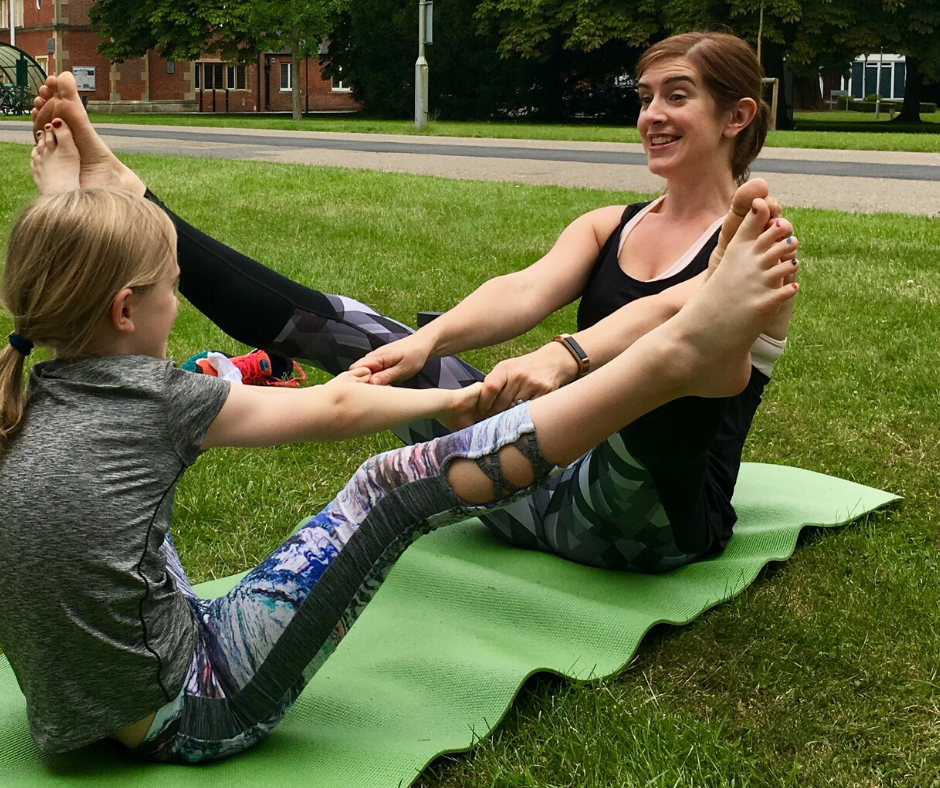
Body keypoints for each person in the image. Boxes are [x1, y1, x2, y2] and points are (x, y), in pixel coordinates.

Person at [0, 125, 795, 762]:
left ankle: (684, 352)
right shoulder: (164, 401)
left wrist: (63, 201)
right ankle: (674, 361)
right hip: (194, 704)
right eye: (171, 287)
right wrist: (462, 399)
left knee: (135, 496)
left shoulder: (18, 401)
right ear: (123, 311)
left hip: (81, 707)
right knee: (387, 486)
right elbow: (340, 410)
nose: (179, 303)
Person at [30, 29, 796, 578]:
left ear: (737, 117)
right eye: (646, 97)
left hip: (651, 528)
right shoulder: (612, 224)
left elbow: (675, 314)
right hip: (541, 481)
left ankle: (128, 196)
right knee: (345, 331)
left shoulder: (759, 252)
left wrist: (567, 354)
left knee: (688, 344)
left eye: (678, 96)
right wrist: (427, 347)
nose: (651, 115)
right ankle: (133, 198)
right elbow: (521, 291)